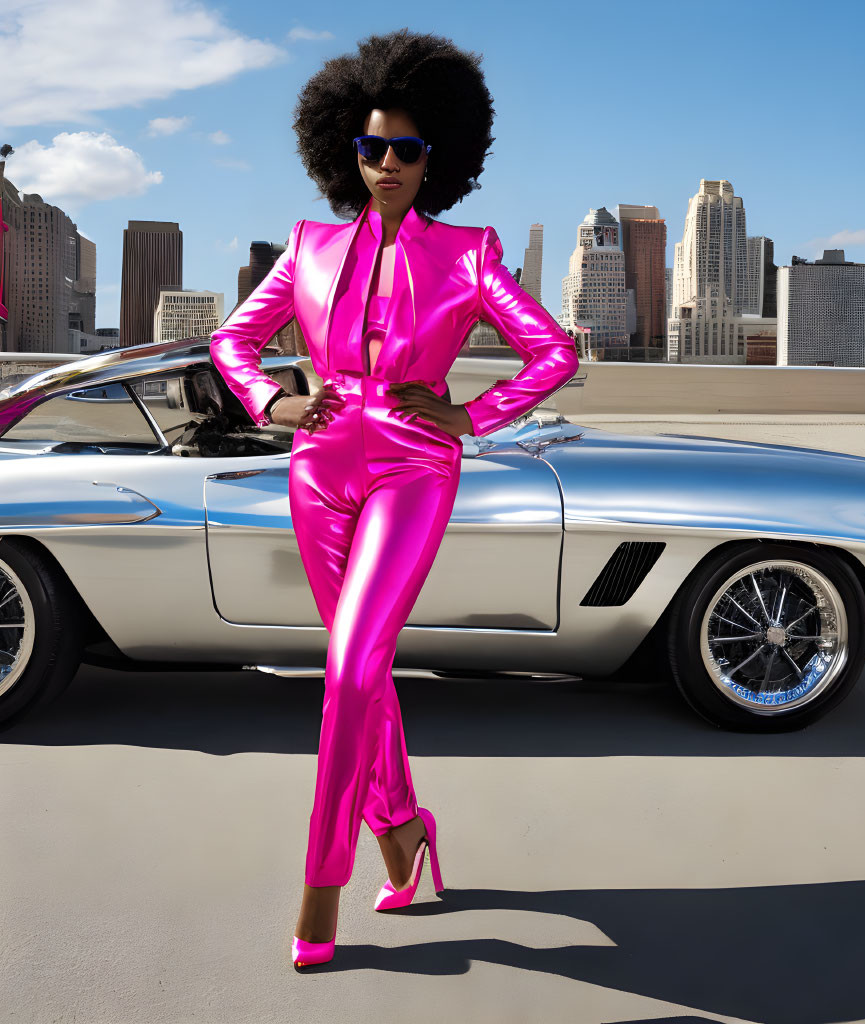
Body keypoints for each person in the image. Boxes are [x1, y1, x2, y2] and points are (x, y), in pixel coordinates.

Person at [209, 28, 579, 972]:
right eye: (370, 148)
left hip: (414, 467)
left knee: (349, 673)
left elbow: (555, 351)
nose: (385, 165)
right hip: (319, 466)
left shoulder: (469, 254)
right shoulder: (308, 246)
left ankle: (319, 887)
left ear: (433, 159)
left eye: (405, 150)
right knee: (358, 670)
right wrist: (276, 401)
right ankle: (405, 829)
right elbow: (232, 344)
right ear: (348, 151)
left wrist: (466, 414)